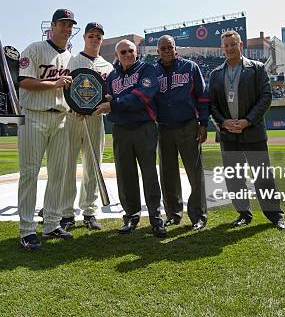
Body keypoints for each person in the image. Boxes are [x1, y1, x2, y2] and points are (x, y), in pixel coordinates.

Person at [208, 30, 285, 230]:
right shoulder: (216, 74)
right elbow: (211, 104)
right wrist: (224, 122)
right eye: (226, 45)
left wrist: (248, 121)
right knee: (234, 177)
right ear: (222, 48)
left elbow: (266, 97)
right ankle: (243, 213)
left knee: (263, 175)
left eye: (233, 44)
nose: (229, 48)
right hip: (227, 133)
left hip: (252, 131)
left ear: (240, 45)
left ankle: (275, 215)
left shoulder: (257, 68)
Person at [93, 40, 166, 237]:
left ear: (136, 52)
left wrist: (114, 104)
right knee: (125, 175)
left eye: (130, 51)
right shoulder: (113, 75)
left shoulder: (147, 69)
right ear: (117, 55)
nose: (127, 54)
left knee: (149, 174)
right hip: (121, 129)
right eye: (123, 52)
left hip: (144, 127)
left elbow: (141, 96)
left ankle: (155, 218)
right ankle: (131, 216)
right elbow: (108, 98)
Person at [17, 8, 75, 250]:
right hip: (33, 116)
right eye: (62, 23)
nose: (66, 28)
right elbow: (24, 81)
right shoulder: (34, 48)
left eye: (70, 24)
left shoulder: (72, 58)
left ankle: (51, 223)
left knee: (59, 173)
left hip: (62, 117)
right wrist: (55, 83)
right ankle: (27, 230)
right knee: (30, 172)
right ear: (52, 26)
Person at [60, 22, 113, 231]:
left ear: (102, 40)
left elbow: (109, 94)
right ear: (84, 38)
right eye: (91, 36)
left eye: (98, 36)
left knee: (93, 165)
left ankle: (89, 211)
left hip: (95, 118)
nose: (94, 39)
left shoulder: (107, 66)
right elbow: (64, 88)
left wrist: (107, 104)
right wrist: (70, 106)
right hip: (72, 117)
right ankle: (66, 213)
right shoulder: (72, 60)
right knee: (67, 166)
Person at [153, 35, 209, 231]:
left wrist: (203, 123)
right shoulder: (153, 71)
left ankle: (198, 216)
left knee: (195, 172)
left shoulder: (190, 67)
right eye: (163, 48)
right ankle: (173, 214)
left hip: (188, 125)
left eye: (170, 47)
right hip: (164, 127)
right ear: (157, 51)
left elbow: (202, 96)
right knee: (167, 173)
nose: (167, 50)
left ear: (175, 48)